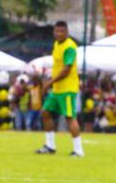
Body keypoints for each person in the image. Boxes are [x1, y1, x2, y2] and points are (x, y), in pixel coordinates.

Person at [34, 21, 85, 157]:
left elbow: (67, 69)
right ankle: (50, 146)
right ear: (54, 32)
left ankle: (78, 150)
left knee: (69, 118)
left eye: (62, 31)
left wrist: (50, 82)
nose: (59, 34)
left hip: (67, 89)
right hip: (57, 89)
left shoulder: (69, 47)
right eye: (57, 31)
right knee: (45, 112)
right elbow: (57, 67)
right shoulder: (57, 45)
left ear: (67, 32)